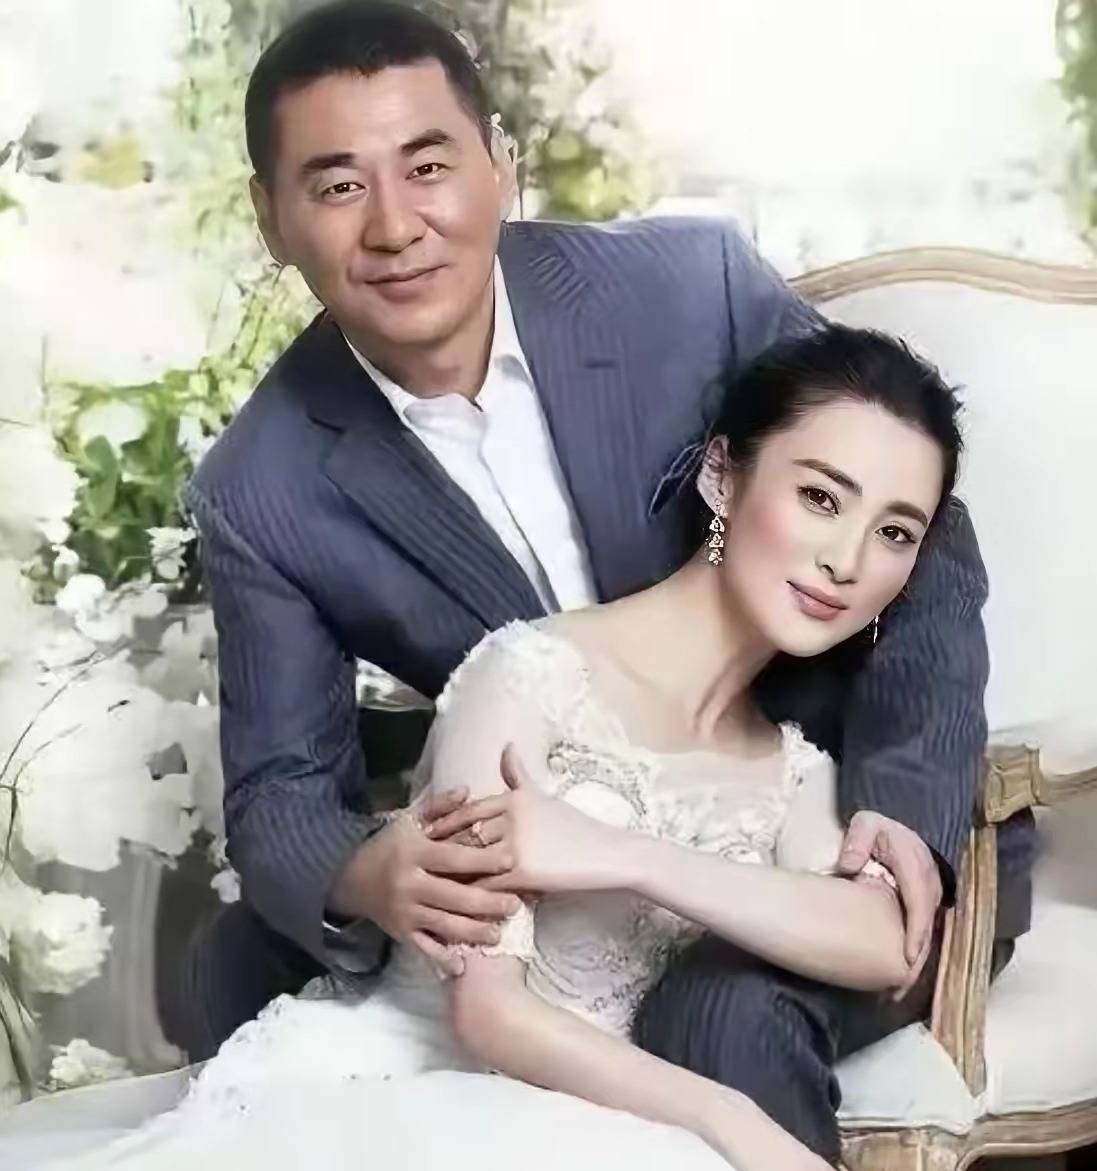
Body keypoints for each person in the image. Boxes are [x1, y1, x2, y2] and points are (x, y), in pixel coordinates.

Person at [175, 0, 1030, 1159]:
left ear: (499, 166)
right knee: (236, 963)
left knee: (713, 1015)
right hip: (563, 820)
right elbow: (279, 788)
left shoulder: (686, 289)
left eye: (427, 166)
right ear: (269, 218)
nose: (394, 225)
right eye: (336, 185)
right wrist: (374, 871)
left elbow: (916, 529)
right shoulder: (261, 481)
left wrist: (902, 806)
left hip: (828, 811)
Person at [7, 324, 966, 1171]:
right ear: (722, 474)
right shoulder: (527, 675)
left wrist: (624, 854)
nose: (847, 560)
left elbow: (881, 942)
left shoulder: (792, 767)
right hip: (415, 1098)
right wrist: (729, 1118)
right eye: (819, 497)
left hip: (610, 1116)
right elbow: (488, 1012)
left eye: (894, 532)